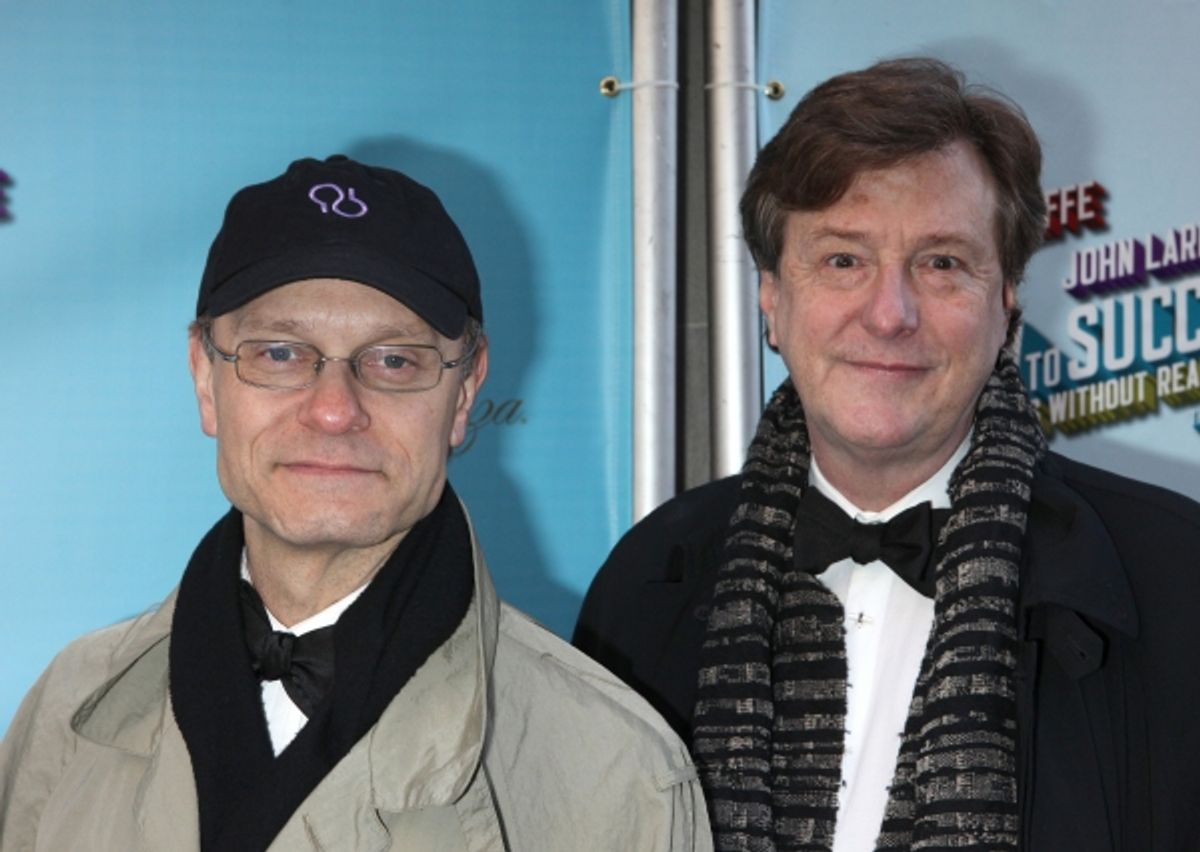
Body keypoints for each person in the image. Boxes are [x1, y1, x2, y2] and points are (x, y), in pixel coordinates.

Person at [574, 58, 1200, 851]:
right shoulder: (645, 583)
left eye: (942, 263)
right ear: (772, 297)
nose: (889, 314)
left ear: (1007, 301)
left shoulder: (1177, 583)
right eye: (844, 259)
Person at [0, 155, 711, 852]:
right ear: (204, 378)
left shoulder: (618, 769)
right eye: (279, 353)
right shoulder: (65, 712)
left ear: (464, 394)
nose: (335, 411)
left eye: (394, 360)